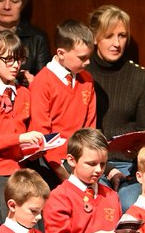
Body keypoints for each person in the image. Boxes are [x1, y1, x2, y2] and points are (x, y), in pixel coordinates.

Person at [86, 5, 145, 209]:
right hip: (92, 165)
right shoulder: (83, 75)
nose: (116, 43)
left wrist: (139, 150)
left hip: (130, 167)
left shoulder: (139, 77)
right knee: (97, 207)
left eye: (122, 36)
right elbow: (77, 133)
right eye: (109, 36)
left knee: (131, 205)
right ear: (94, 38)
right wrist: (106, 168)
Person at [43, 128, 130, 233]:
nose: (98, 170)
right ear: (71, 160)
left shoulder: (111, 195)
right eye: (91, 164)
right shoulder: (59, 196)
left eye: (103, 164)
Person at [0, 31, 40, 233]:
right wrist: (20, 139)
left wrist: (35, 147)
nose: (15, 65)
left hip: (20, 173)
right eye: (8, 60)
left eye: (19, 60)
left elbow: (27, 133)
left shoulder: (24, 93)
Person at [29, 21, 96, 176]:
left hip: (81, 159)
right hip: (50, 162)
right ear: (61, 53)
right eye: (82, 57)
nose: (88, 62)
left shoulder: (87, 79)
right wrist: (63, 174)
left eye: (89, 56)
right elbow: (43, 135)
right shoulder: (43, 82)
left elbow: (90, 126)